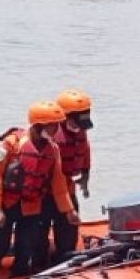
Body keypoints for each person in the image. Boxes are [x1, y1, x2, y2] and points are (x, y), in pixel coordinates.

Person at [0, 102, 79, 279]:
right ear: (39, 125)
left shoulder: (53, 149)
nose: (57, 129)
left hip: (32, 207)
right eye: (54, 125)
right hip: (8, 204)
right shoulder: (11, 144)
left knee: (25, 249)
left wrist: (69, 211)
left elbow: (59, 183)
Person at [45, 89, 94, 266]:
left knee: (68, 233)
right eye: (76, 120)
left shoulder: (80, 130)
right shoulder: (50, 134)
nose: (80, 127)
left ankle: (65, 262)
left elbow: (85, 152)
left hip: (68, 189)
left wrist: (86, 177)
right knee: (38, 233)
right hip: (46, 193)